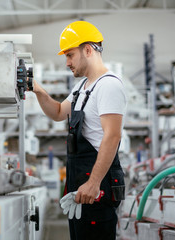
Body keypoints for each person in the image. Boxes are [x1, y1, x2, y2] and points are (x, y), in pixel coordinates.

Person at [29, 21, 127, 239]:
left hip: (96, 186)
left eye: (70, 55)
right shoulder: (81, 88)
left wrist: (93, 183)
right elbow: (56, 112)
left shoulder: (108, 85)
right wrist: (37, 89)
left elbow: (112, 136)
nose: (67, 62)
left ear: (88, 49)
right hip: (80, 184)